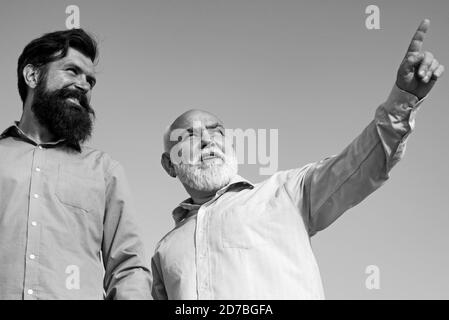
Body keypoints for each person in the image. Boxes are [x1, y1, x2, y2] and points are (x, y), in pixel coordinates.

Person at [152, 20, 444, 299]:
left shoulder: (287, 193)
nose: (207, 140)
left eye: (216, 131)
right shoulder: (164, 251)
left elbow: (363, 163)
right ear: (169, 165)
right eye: (189, 136)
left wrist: (403, 99)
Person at [0, 29, 151, 299]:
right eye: (72, 71)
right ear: (32, 75)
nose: (84, 85)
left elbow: (128, 268)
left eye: (90, 81)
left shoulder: (104, 170)